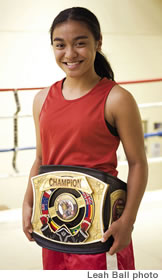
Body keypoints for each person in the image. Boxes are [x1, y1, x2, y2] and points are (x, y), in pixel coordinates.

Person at [22, 7, 148, 270]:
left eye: (80, 43)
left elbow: (138, 163)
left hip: (102, 231)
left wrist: (127, 221)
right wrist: (28, 203)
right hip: (53, 228)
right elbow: (41, 160)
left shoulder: (117, 99)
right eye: (60, 45)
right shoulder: (41, 99)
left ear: (98, 42)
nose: (69, 53)